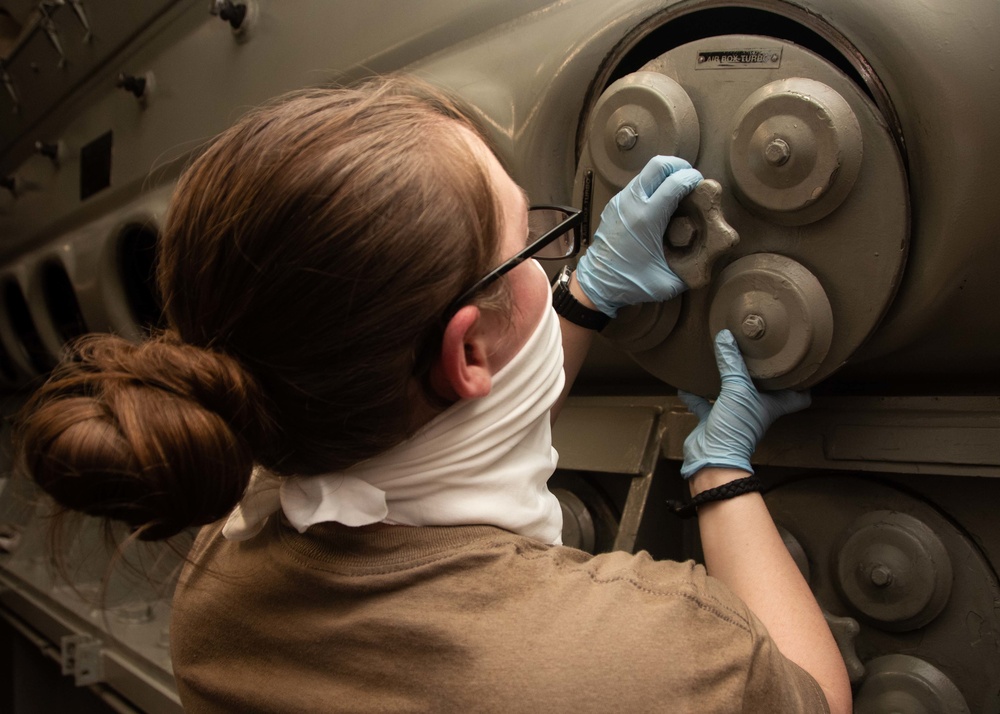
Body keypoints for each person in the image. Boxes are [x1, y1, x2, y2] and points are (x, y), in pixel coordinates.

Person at [15, 76, 850, 713]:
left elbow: (437, 428)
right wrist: (722, 474)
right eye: (529, 242)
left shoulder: (220, 574)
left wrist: (584, 297)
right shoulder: (647, 663)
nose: (543, 261)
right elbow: (811, 692)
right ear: (466, 350)